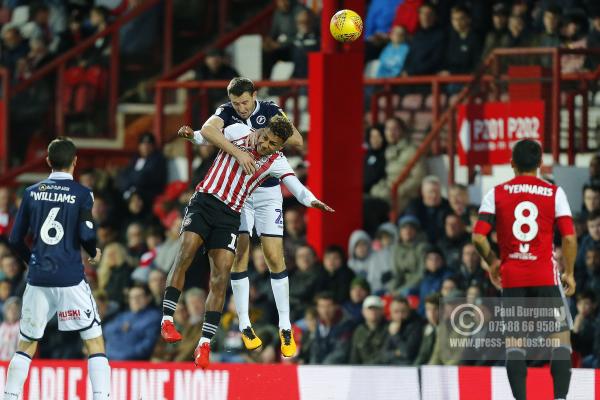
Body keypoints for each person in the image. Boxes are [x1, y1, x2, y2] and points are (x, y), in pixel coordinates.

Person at [160, 115, 333, 368]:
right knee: (185, 254)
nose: (265, 145)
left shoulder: (276, 162)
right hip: (205, 201)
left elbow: (296, 187)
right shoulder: (240, 130)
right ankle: (167, 319)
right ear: (262, 130)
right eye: (265, 138)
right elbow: (208, 135)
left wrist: (312, 201)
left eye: (273, 143)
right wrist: (192, 135)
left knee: (220, 276)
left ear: (280, 146)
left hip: (231, 215)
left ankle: (204, 344)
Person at [3, 138, 110, 400]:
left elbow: (15, 239)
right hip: (71, 278)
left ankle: (9, 396)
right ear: (75, 162)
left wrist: (32, 261)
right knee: (93, 339)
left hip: (38, 278)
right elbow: (86, 233)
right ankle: (102, 396)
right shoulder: (83, 194)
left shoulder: (30, 193)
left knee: (27, 343)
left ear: (48, 162)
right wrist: (93, 250)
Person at [472, 139, 577, 400]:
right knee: (560, 341)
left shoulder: (495, 193)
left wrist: (493, 262)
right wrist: (570, 272)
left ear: (512, 164)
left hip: (513, 278)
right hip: (544, 276)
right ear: (541, 164)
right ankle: (560, 398)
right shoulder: (554, 192)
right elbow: (570, 238)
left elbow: (478, 237)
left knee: (515, 346)